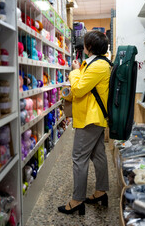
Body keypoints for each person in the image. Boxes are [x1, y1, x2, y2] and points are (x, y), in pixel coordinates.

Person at [58, 31, 111, 215]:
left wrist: (74, 71)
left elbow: (80, 89)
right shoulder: (97, 64)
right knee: (98, 155)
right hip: (93, 117)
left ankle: (77, 200)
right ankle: (100, 192)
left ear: (89, 47)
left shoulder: (98, 66)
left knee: (79, 158)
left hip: (90, 119)